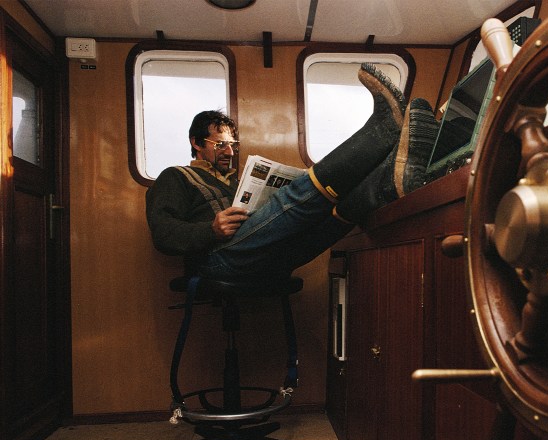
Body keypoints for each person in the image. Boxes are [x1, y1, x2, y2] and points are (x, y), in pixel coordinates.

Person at [146, 63, 439, 279]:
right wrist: (210, 229)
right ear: (196, 143)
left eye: (233, 145)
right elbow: (163, 233)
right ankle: (384, 130)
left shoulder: (236, 182)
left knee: (329, 219)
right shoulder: (176, 177)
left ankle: (387, 184)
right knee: (290, 200)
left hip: (270, 258)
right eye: (220, 144)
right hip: (216, 260)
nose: (230, 151)